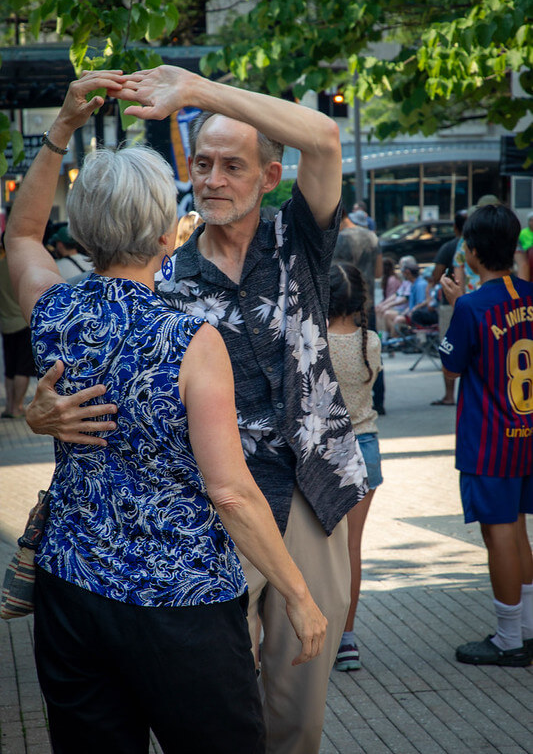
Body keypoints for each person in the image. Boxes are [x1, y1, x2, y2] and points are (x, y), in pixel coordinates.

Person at [25, 64, 369, 754]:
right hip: (210, 521)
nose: (211, 178)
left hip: (311, 490)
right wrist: (43, 414)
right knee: (220, 700)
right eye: (202, 163)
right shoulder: (164, 274)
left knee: (298, 712)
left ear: (268, 175)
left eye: (231, 164)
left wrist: (197, 90)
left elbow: (325, 139)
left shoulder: (298, 237)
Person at [439, 203, 533, 667]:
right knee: (517, 529)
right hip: (527, 434)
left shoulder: (473, 305)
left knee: (498, 536)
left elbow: (451, 367)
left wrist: (458, 304)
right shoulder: (532, 295)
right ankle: (527, 628)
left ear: (472, 252)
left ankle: (509, 638)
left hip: (490, 442)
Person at [327, 262, 383, 670]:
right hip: (366, 447)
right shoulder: (372, 341)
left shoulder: (312, 341)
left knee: (318, 548)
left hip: (326, 451)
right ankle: (347, 639)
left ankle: (317, 632)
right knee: (352, 549)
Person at [334, 207, 385, 414]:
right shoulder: (371, 236)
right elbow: (379, 271)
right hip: (366, 302)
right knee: (370, 348)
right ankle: (378, 401)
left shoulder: (335, 240)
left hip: (340, 304)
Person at [430, 209, 468, 406]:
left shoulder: (450, 246)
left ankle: (449, 394)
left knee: (448, 346)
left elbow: (436, 275)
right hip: (477, 302)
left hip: (451, 302)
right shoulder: (480, 245)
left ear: (455, 228)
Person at [0, 231, 36, 417]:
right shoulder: (22, 268)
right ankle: (18, 407)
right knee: (22, 367)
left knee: (10, 368)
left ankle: (8, 406)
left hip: (6, 324)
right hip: (23, 323)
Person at [385, 256, 427, 335]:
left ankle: (397, 342)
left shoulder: (420, 285)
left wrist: (410, 312)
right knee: (388, 315)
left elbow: (421, 303)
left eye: (403, 272)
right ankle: (393, 338)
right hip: (410, 312)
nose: (401, 274)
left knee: (398, 320)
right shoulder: (412, 284)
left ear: (407, 272)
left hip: (418, 315)